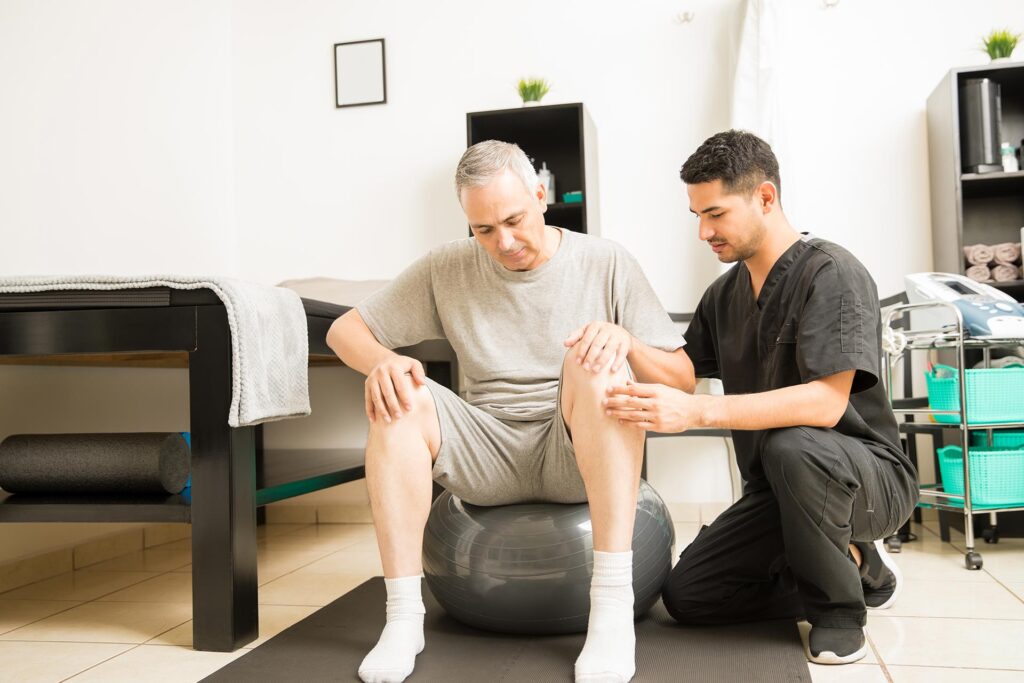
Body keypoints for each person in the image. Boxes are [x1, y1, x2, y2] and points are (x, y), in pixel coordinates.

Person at [326, 140, 693, 683]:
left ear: (541, 195)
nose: (504, 242)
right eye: (484, 230)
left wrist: (625, 341)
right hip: (486, 451)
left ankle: (612, 611)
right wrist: (383, 361)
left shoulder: (606, 261)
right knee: (398, 394)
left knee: (594, 360)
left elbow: (683, 379)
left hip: (572, 447)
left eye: (514, 220)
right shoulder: (446, 267)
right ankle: (403, 618)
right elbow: (343, 330)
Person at [604, 130, 918, 665]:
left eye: (716, 214)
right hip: (778, 490)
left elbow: (824, 404)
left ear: (765, 197)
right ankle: (859, 565)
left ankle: (839, 610)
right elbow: (682, 374)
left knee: (793, 444)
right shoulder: (723, 295)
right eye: (696, 216)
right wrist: (625, 341)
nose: (703, 231)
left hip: (867, 479)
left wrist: (700, 412)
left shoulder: (833, 273)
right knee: (691, 597)